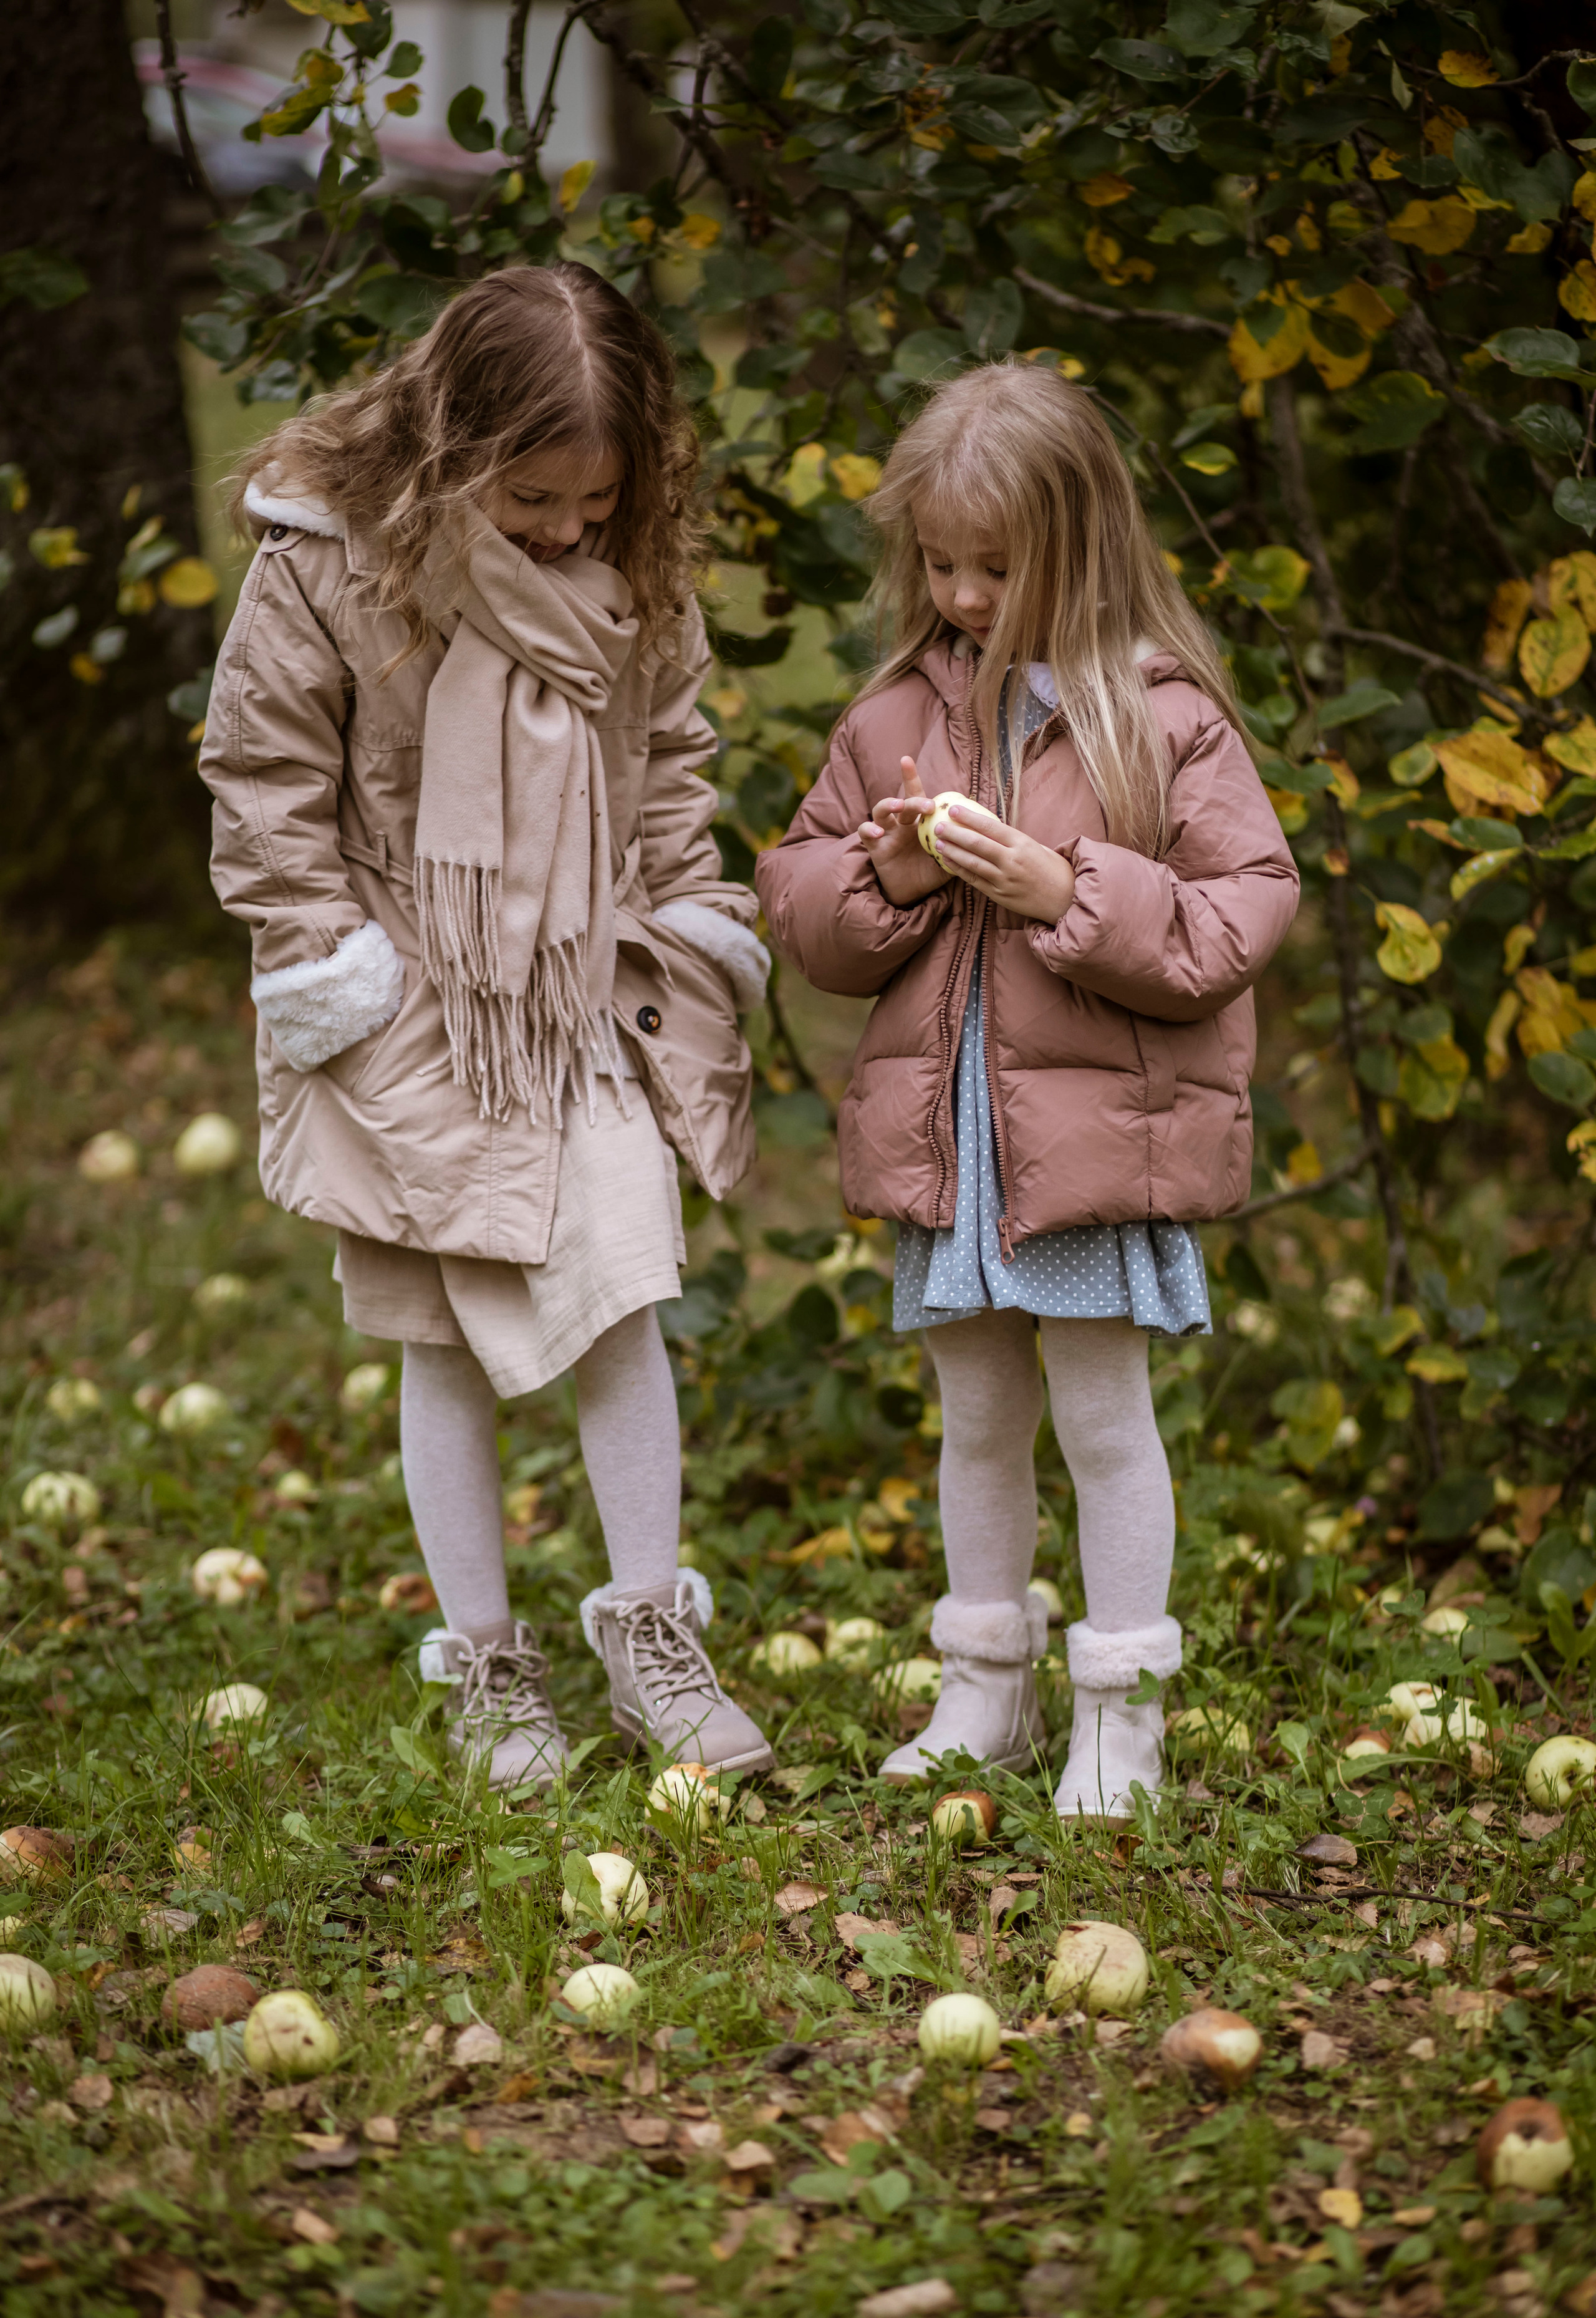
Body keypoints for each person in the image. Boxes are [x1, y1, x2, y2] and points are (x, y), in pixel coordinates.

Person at [204, 264, 774, 1792]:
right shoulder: (328, 565)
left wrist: (684, 924)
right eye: (532, 499)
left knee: (621, 1285)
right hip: (405, 996)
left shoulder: (630, 573)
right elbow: (264, 780)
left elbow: (666, 759)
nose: (568, 531)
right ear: (454, 451)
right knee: (438, 1332)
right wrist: (335, 969)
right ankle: (486, 1662)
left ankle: (649, 1626)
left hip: (573, 992)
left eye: (596, 500)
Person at [757, 362, 1298, 1818]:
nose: (966, 593)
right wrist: (888, 871)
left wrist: (1072, 887)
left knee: (1102, 1418)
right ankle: (984, 1688)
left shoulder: (1157, 717)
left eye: (998, 565)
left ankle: (1119, 1708)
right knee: (977, 1417)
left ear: (1080, 546)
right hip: (957, 1148)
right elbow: (798, 902)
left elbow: (1242, 908)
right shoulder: (892, 721)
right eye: (940, 562)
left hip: (1088, 1144)